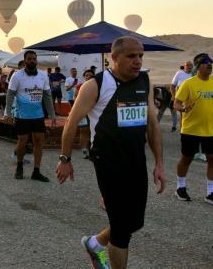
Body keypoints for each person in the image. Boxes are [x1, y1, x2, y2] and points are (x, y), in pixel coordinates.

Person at [57, 37, 165, 269]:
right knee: (122, 230)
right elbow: (71, 123)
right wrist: (65, 159)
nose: (137, 61)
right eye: (131, 56)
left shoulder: (145, 81)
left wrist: (159, 163)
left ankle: (95, 243)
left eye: (140, 56)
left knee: (134, 222)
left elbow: (153, 124)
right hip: (108, 162)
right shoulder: (96, 85)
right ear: (114, 58)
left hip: (136, 159)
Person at [4, 50, 56, 182]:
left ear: (36, 60)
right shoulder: (17, 76)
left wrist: (52, 114)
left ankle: (36, 171)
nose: (32, 61)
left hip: (38, 116)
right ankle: (19, 167)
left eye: (34, 59)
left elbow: (47, 95)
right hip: (22, 116)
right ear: (25, 60)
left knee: (39, 142)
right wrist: (7, 113)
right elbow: (10, 95)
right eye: (29, 59)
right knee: (22, 142)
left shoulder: (43, 75)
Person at [172, 53, 213, 203]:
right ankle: (180, 187)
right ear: (198, 66)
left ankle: (211, 192)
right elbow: (176, 103)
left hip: (210, 130)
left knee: (212, 159)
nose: (210, 65)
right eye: (206, 62)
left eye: (211, 62)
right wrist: (182, 109)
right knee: (187, 158)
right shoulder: (189, 83)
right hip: (191, 129)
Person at [75, 69, 95, 159]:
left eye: (90, 75)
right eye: (86, 75)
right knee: (83, 130)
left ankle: (91, 148)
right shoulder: (79, 86)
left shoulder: (97, 86)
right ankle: (84, 150)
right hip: (82, 112)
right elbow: (75, 97)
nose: (88, 77)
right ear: (84, 76)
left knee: (92, 130)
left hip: (93, 112)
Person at [170, 61, 193, 133]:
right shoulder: (179, 73)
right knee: (183, 115)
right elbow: (172, 86)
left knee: (191, 115)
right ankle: (183, 132)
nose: (189, 68)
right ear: (184, 66)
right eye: (187, 66)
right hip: (181, 99)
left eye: (190, 66)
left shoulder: (194, 74)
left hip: (191, 99)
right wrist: (173, 96)